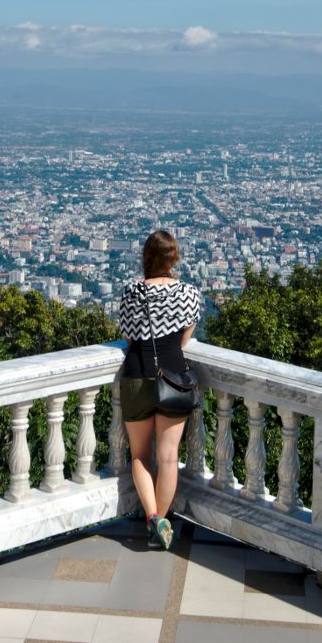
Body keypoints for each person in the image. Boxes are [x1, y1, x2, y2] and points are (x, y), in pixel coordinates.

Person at [117, 229, 202, 550]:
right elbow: (184, 339)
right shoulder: (189, 293)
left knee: (139, 455)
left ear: (146, 257)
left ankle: (152, 516)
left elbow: (127, 334)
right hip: (174, 377)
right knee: (168, 458)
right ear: (174, 258)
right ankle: (160, 523)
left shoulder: (131, 292)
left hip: (137, 374)